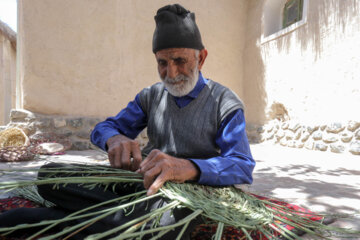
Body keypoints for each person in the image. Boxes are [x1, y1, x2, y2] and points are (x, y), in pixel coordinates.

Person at [0, 4, 255, 240]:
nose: (171, 73)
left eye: (180, 61)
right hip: (140, 184)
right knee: (50, 174)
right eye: (162, 63)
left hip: (186, 195)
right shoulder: (151, 95)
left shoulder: (224, 102)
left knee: (166, 226)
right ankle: (121, 224)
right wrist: (115, 138)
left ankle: (50, 221)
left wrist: (188, 167)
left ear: (201, 59)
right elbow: (103, 128)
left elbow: (241, 165)